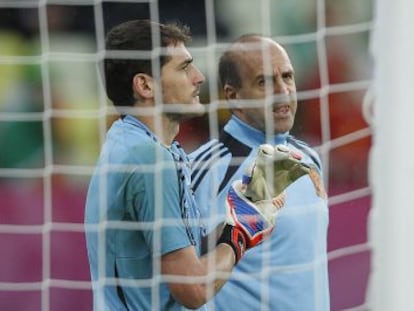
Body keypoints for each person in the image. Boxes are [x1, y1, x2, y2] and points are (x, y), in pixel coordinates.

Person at [84, 20, 292, 311]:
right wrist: (241, 233)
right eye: (184, 68)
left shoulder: (128, 140)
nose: (199, 77)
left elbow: (173, 262)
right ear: (145, 85)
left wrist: (240, 215)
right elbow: (192, 290)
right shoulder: (148, 158)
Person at [190, 34, 330, 310]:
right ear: (234, 96)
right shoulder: (207, 167)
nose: (283, 90)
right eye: (264, 81)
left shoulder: (309, 157)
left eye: (287, 77)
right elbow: (182, 279)